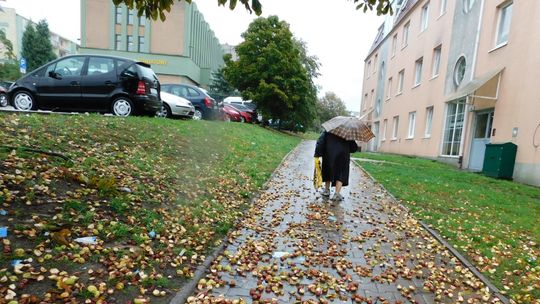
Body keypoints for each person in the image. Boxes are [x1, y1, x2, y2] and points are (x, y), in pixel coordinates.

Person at [314, 131, 359, 201]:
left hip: (329, 155)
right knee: (341, 173)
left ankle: (326, 190)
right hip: (343, 156)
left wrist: (317, 154)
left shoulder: (328, 131)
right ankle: (336, 194)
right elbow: (354, 148)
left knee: (328, 170)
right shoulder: (347, 133)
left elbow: (320, 142)